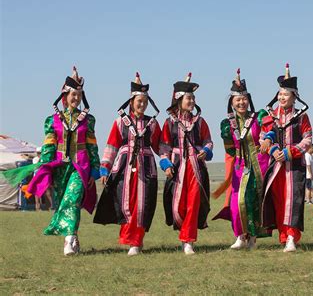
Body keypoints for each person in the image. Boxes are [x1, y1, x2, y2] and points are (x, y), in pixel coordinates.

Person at [4, 66, 100, 256]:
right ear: (65, 95)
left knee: (72, 199)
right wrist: (43, 165)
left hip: (80, 167)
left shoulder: (88, 120)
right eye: (74, 94)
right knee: (64, 202)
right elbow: (49, 146)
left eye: (79, 95)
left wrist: (95, 169)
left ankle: (69, 240)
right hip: (59, 168)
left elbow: (92, 146)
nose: (77, 99)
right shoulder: (52, 120)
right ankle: (73, 237)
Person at [93, 73, 161, 256]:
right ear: (132, 101)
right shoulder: (120, 122)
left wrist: (167, 160)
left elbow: (160, 146)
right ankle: (130, 238)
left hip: (146, 168)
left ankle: (136, 241)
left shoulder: (152, 124)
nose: (142, 104)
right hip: (124, 168)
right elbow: (112, 145)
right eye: (139, 100)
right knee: (126, 204)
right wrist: (105, 167)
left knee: (142, 204)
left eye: (145, 101)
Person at [212, 68, 270, 250]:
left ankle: (253, 237)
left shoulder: (258, 117)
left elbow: (269, 132)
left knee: (254, 201)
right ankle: (240, 235)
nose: (241, 102)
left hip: (259, 166)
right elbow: (229, 150)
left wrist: (266, 139)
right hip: (240, 167)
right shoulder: (226, 124)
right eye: (238, 99)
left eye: (244, 99)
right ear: (232, 102)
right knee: (238, 202)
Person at [260, 63, 312, 252]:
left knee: (294, 199)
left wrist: (291, 152)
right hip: (276, 165)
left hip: (294, 165)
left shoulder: (301, 117)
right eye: (280, 94)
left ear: (294, 96)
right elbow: (263, 137)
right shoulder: (270, 116)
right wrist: (273, 150)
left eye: (286, 94)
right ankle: (283, 236)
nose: (282, 97)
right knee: (279, 198)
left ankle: (292, 236)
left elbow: (308, 139)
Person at [159, 72, 213, 255]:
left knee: (194, 202)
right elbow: (164, 147)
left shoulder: (200, 122)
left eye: (193, 98)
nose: (192, 101)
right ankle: (184, 233)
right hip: (177, 168)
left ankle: (188, 240)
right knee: (178, 204)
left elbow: (208, 141)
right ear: (179, 99)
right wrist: (166, 164)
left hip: (196, 169)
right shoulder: (169, 123)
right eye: (188, 98)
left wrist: (205, 151)